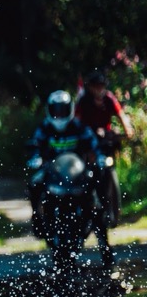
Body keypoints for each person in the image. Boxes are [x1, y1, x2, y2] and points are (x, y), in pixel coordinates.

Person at [25, 89, 107, 239]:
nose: (60, 115)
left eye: (63, 111)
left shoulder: (79, 127)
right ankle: (37, 219)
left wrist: (100, 157)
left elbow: (93, 143)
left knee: (95, 199)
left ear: (70, 109)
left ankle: (104, 243)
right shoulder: (44, 128)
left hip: (78, 173)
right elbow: (35, 144)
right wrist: (35, 158)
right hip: (51, 173)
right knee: (34, 184)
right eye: (56, 111)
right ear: (49, 110)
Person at [74, 70, 130, 226]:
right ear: (91, 88)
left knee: (108, 165)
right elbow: (76, 122)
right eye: (96, 86)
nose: (100, 89)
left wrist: (127, 130)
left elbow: (121, 115)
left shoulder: (109, 99)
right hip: (88, 142)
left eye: (102, 86)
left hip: (105, 142)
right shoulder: (83, 101)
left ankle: (111, 209)